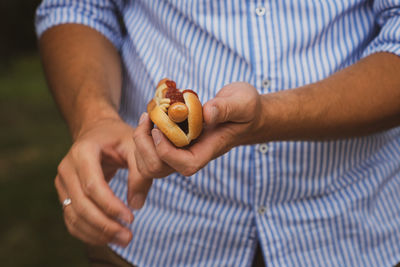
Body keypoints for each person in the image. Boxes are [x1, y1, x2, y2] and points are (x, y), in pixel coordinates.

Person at [35, 1, 400, 266]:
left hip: (354, 230)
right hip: (155, 229)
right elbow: (76, 7)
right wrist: (94, 117)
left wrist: (269, 116)